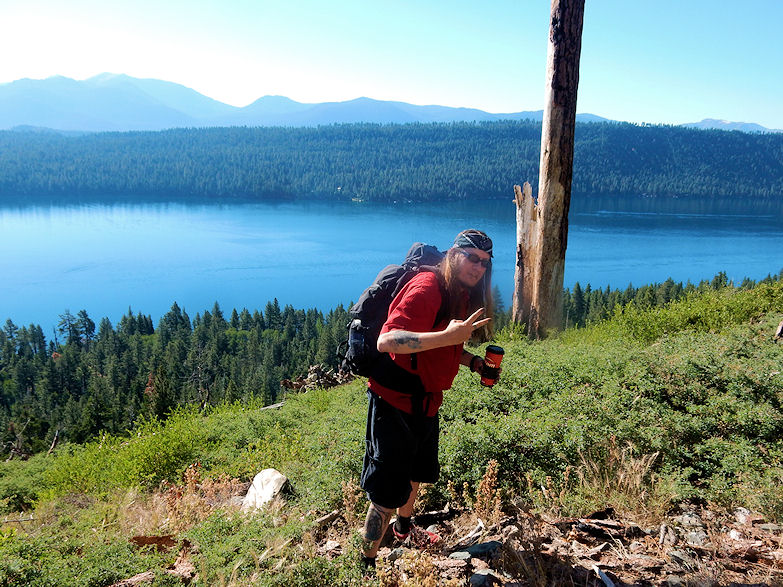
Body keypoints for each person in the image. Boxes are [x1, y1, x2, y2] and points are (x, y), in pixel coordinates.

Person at [359, 229, 494, 566]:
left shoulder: (458, 291)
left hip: (426, 401)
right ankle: (366, 564)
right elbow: (388, 341)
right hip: (394, 402)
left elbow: (440, 343)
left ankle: (403, 531)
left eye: (485, 262)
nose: (478, 267)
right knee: (385, 492)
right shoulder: (427, 286)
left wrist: (472, 361)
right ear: (454, 253)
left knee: (415, 473)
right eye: (472, 257)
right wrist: (448, 336)